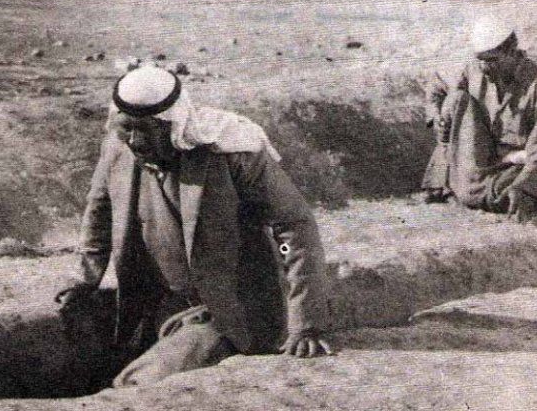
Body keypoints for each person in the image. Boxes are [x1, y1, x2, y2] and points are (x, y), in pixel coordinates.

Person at [56, 65, 333, 388]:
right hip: (164, 308)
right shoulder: (118, 150)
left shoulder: (232, 153)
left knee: (139, 384)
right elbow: (99, 214)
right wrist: (85, 278)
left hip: (232, 312)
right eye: (126, 128)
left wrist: (305, 323)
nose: (134, 140)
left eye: (145, 130)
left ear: (172, 125)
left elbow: (292, 230)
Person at [422, 15, 537, 220]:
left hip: (513, 163)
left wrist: (524, 188)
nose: (485, 67)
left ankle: (473, 187)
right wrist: (436, 117)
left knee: (514, 189)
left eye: (492, 60)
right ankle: (444, 179)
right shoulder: (474, 68)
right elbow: (437, 84)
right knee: (457, 99)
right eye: (481, 59)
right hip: (478, 156)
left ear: (511, 51)